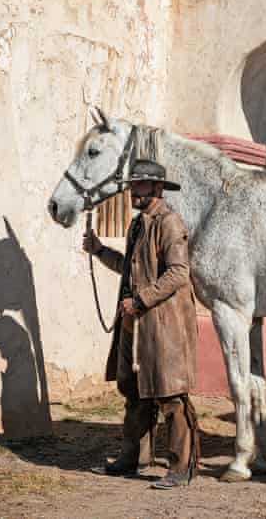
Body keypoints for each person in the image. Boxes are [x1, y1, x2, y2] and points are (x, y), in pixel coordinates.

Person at [84, 159, 199, 489]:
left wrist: (140, 300)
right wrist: (99, 250)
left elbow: (178, 273)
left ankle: (180, 468)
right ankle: (134, 457)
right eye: (132, 185)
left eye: (141, 184)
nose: (133, 190)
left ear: (158, 188)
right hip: (136, 324)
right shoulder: (138, 224)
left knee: (171, 396)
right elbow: (128, 269)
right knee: (134, 392)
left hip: (163, 326)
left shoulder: (169, 223)